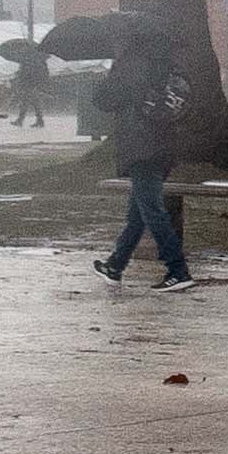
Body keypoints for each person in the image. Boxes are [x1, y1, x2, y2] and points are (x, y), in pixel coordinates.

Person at [89, 31, 195, 290]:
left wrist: (111, 71)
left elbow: (102, 100)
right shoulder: (166, 64)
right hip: (163, 145)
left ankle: (178, 270)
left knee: (152, 212)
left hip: (140, 147)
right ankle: (115, 265)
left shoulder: (130, 65)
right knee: (138, 214)